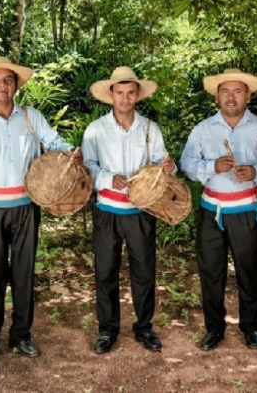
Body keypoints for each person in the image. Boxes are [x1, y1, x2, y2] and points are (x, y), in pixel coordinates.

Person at [0, 56, 82, 370]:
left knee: (23, 274)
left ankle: (21, 335)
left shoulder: (31, 117)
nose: (2, 85)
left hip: (25, 208)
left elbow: (53, 143)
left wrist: (71, 153)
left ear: (16, 84)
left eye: (7, 79)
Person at [181, 69, 257, 351]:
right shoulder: (203, 129)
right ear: (217, 95)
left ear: (248, 96)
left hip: (245, 210)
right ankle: (214, 328)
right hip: (211, 210)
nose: (231, 97)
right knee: (210, 272)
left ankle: (251, 327)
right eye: (225, 91)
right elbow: (187, 164)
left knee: (248, 271)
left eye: (237, 91)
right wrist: (212, 166)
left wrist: (256, 170)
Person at [81, 66, 175, 354]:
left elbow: (163, 165)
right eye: (119, 93)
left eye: (130, 93)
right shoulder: (95, 130)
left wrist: (170, 168)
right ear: (111, 94)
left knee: (144, 272)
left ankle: (144, 327)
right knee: (106, 272)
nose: (124, 98)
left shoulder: (150, 129)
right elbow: (87, 170)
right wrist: (110, 178)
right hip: (107, 210)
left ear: (137, 95)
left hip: (141, 211)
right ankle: (108, 330)